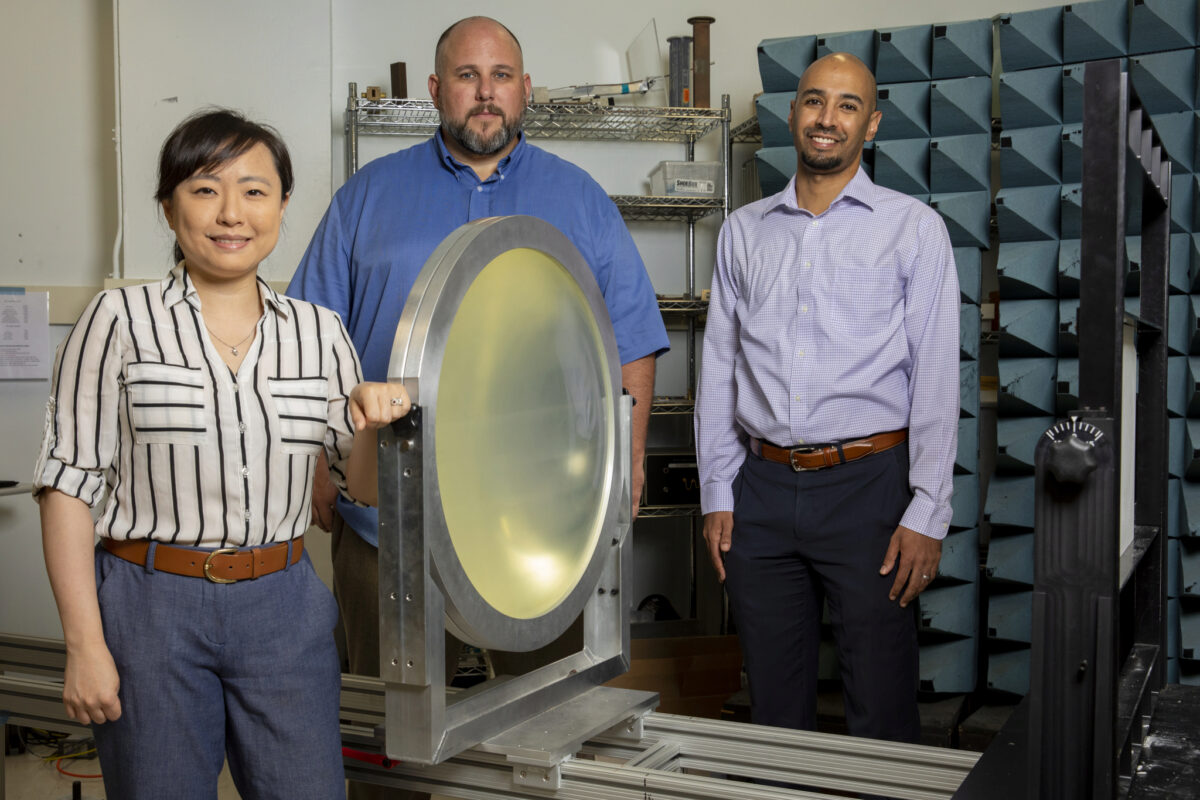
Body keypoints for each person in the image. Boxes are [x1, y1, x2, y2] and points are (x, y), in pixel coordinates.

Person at [288, 18, 668, 798]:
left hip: (542, 527)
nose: (486, 92)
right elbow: (305, 336)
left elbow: (630, 339)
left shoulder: (579, 199)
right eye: (467, 75)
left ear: (526, 90)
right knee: (380, 723)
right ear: (436, 91)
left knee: (546, 720)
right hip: (385, 518)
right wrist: (310, 469)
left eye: (502, 76)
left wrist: (628, 457)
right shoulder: (368, 197)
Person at [33, 108, 409, 800]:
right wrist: (85, 646)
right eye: (205, 189)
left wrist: (372, 429)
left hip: (285, 606)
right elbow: (66, 488)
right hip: (150, 608)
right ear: (169, 205)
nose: (231, 213)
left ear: (283, 205)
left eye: (255, 190)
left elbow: (360, 489)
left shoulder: (320, 331)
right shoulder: (118, 320)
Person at [695, 52, 959, 746]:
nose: (827, 118)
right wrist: (718, 492)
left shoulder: (913, 229)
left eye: (847, 106)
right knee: (775, 709)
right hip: (762, 489)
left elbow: (935, 375)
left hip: (870, 489)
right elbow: (719, 366)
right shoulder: (743, 232)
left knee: (881, 704)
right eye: (814, 101)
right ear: (793, 114)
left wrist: (928, 509)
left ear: (870, 126)